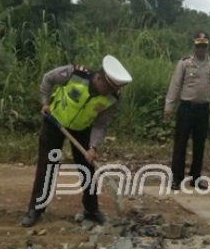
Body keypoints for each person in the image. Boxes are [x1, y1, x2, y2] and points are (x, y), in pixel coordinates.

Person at [21, 55, 132, 227]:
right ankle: (35, 209)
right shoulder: (75, 74)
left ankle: (92, 210)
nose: (109, 93)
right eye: (108, 89)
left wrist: (93, 147)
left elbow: (100, 125)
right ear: (101, 79)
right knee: (47, 166)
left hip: (82, 129)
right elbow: (48, 79)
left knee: (87, 168)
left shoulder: (112, 98)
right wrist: (45, 103)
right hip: (54, 121)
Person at [164, 31, 210, 191]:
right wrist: (169, 106)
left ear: (207, 46)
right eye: (199, 46)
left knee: (199, 145)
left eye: (204, 46)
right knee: (180, 144)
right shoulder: (185, 63)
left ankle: (196, 177)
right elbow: (175, 85)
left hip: (203, 110)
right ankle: (176, 178)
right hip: (186, 108)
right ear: (194, 46)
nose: (201, 49)